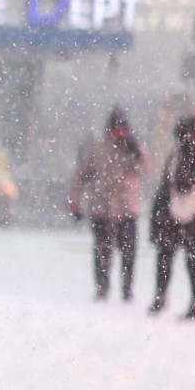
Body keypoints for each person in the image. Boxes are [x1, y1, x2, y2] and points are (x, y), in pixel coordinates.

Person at [68, 107, 148, 302]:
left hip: (127, 210)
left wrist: (136, 151)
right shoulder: (98, 151)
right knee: (102, 252)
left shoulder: (135, 150)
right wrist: (74, 201)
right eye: (116, 128)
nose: (120, 133)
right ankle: (102, 287)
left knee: (129, 254)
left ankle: (127, 289)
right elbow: (80, 177)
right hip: (102, 210)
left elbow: (145, 169)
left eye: (123, 128)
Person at [148, 114, 195, 319]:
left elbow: (171, 186)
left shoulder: (182, 156)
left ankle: (163, 297)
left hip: (178, 218)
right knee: (193, 262)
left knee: (168, 258)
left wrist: (158, 219)